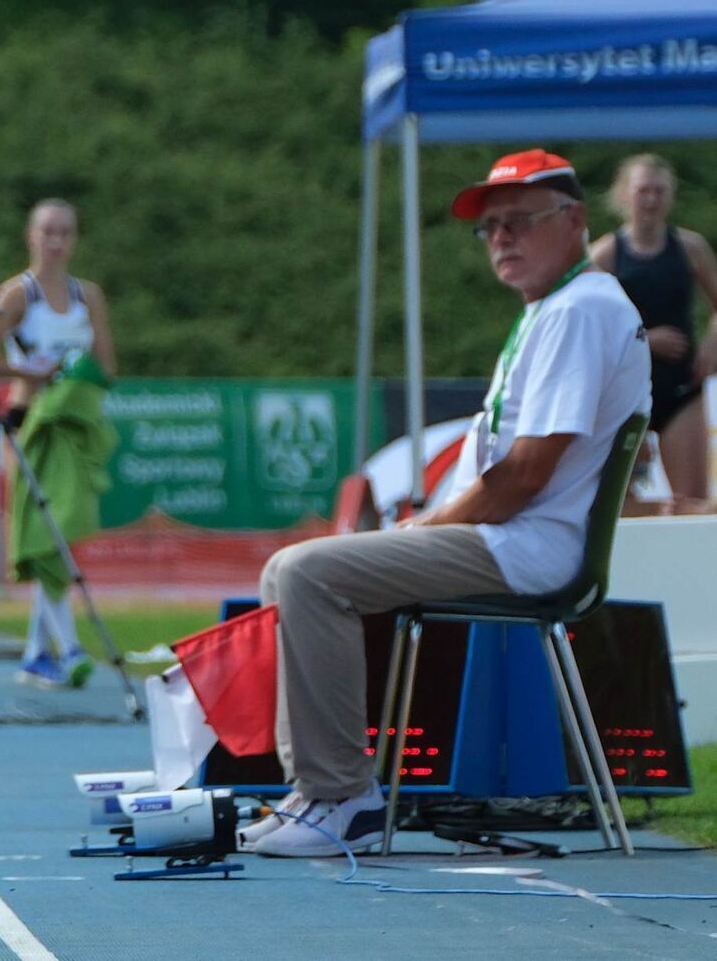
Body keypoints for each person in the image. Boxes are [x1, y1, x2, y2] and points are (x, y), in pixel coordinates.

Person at [246, 149, 649, 857]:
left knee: (308, 573)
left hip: (529, 546)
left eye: (519, 221)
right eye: (490, 228)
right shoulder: (560, 308)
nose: (502, 238)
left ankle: (345, 798)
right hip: (517, 538)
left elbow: (525, 476)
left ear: (576, 220)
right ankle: (317, 792)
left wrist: (425, 524)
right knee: (286, 572)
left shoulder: (580, 310)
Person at [0, 200, 116, 689]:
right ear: (31, 236)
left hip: (72, 426)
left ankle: (37, 652)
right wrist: (30, 371)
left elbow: (107, 364)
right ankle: (70, 645)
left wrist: (76, 380)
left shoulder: (89, 296)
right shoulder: (19, 293)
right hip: (30, 424)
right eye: (48, 232)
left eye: (65, 232)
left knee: (61, 533)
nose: (57, 241)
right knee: (45, 534)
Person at [590, 154, 717, 506]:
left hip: (681, 386)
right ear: (624, 195)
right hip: (625, 394)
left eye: (659, 191)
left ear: (670, 196)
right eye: (643, 190)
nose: (650, 199)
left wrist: (711, 344)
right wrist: (645, 339)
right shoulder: (604, 255)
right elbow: (584, 331)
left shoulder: (690, 248)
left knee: (691, 501)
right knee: (615, 503)